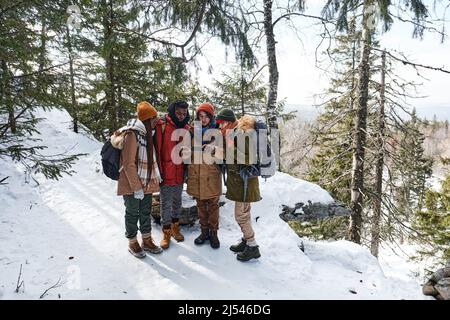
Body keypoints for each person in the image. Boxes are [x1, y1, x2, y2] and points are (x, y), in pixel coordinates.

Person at [116, 101, 163, 258]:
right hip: (132, 183)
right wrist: (136, 188)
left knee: (145, 211)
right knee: (132, 212)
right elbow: (128, 164)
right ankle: (132, 241)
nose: (156, 120)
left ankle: (147, 240)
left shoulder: (148, 134)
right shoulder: (132, 134)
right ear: (146, 120)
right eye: (153, 118)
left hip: (146, 181)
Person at [215, 109, 262, 261]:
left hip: (244, 183)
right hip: (241, 183)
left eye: (221, 124)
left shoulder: (241, 133)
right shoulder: (233, 133)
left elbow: (248, 159)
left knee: (240, 216)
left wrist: (227, 150)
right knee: (245, 213)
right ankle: (246, 241)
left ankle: (252, 246)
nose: (220, 127)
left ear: (227, 122)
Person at [155, 100, 190, 250]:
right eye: (178, 113)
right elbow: (157, 149)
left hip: (179, 172)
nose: (181, 116)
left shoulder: (187, 128)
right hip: (166, 172)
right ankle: (166, 232)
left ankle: (176, 228)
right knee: (165, 204)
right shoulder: (162, 126)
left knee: (177, 202)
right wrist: (159, 171)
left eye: (184, 113)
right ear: (172, 111)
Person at [186, 102, 222, 248]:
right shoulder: (192, 131)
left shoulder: (217, 132)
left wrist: (212, 148)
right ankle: (204, 232)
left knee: (213, 206)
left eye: (206, 116)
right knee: (200, 205)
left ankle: (214, 233)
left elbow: (224, 154)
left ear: (211, 117)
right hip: (196, 173)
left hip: (212, 174)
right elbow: (184, 152)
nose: (203, 119)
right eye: (200, 116)